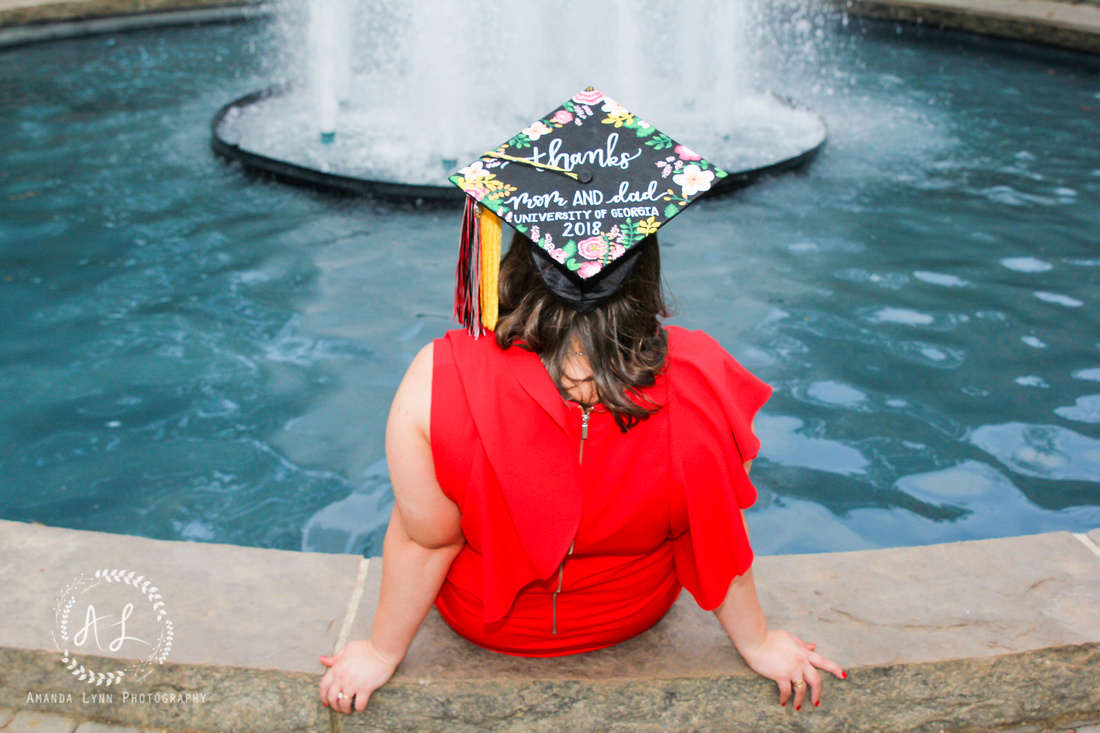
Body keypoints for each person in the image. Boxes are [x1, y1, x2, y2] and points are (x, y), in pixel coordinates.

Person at [319, 88, 845, 716]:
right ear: (645, 264)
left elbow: (426, 543)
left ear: (518, 261)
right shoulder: (705, 380)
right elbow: (712, 536)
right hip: (632, 616)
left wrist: (379, 654)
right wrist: (758, 643)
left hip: (489, 625)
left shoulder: (437, 379)